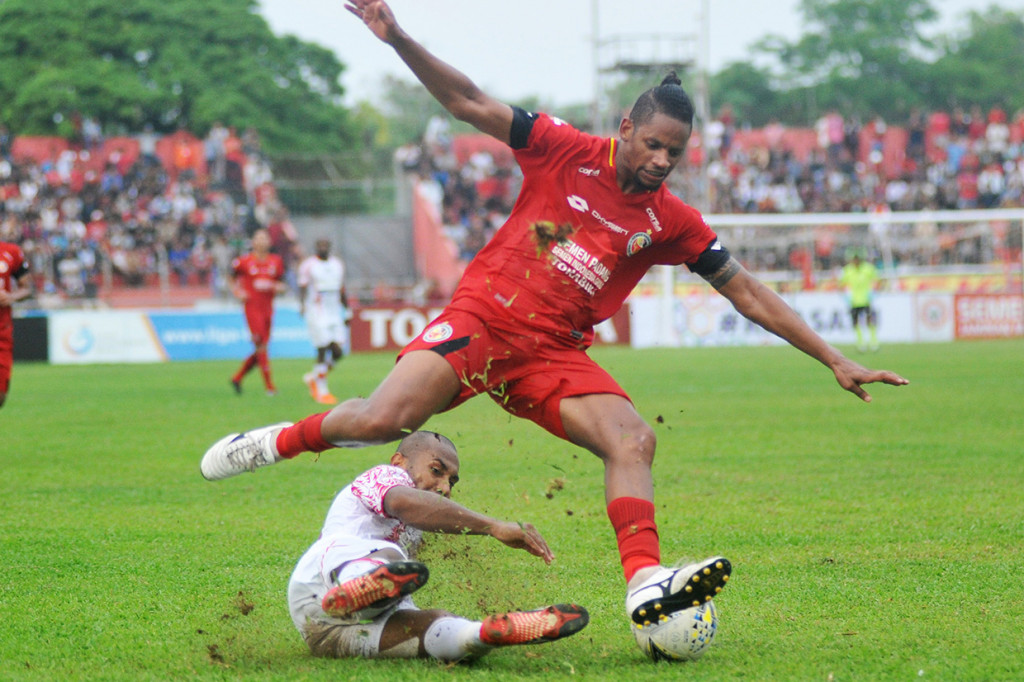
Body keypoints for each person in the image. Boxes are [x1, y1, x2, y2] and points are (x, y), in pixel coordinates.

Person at [202, 0, 908, 641]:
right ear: (626, 128)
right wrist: (398, 38)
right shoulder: (562, 146)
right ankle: (274, 441)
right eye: (653, 144)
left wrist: (834, 357)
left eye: (675, 152)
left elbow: (745, 290)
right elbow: (468, 100)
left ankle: (645, 584)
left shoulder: (672, 220)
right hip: (483, 318)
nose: (662, 160)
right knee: (383, 421)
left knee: (633, 439)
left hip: (550, 354)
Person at [288, 430, 589, 660]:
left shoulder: (416, 529)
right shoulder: (386, 476)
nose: (444, 487)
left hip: (321, 631)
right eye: (436, 470)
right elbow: (404, 503)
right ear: (399, 461)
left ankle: (482, 634)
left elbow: (424, 524)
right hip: (324, 577)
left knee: (435, 625)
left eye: (451, 482)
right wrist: (494, 526)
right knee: (390, 557)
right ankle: (356, 588)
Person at [228, 229, 286, 396]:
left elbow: (281, 283)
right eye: (258, 238)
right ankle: (269, 387)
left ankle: (237, 377)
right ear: (253, 242)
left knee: (262, 348)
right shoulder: (244, 261)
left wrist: (279, 287)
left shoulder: (276, 261)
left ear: (269, 242)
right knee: (260, 345)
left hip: (268, 308)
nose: (261, 241)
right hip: (252, 308)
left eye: (264, 238)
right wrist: (237, 291)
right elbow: (230, 277)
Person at [297, 238, 350, 404]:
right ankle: (322, 391)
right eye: (320, 245)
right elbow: (302, 287)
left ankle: (313, 377)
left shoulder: (337, 265)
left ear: (329, 247)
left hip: (334, 312)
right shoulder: (308, 265)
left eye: (325, 245)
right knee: (323, 348)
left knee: (338, 353)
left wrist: (347, 310)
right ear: (315, 247)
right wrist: (302, 305)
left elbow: (341, 289)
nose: (323, 248)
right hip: (317, 311)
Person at [0, 240, 31, 409]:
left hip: (2, 333)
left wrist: (11, 297)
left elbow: (26, 288)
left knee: (1, 396)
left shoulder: (11, 252)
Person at [840, 252, 881, 352]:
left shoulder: (868, 268)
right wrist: (846, 296)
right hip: (854, 301)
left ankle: (873, 341)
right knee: (855, 322)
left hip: (866, 299)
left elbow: (877, 280)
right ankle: (860, 342)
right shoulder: (848, 270)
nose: (856, 261)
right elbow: (841, 284)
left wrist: (873, 293)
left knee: (869, 320)